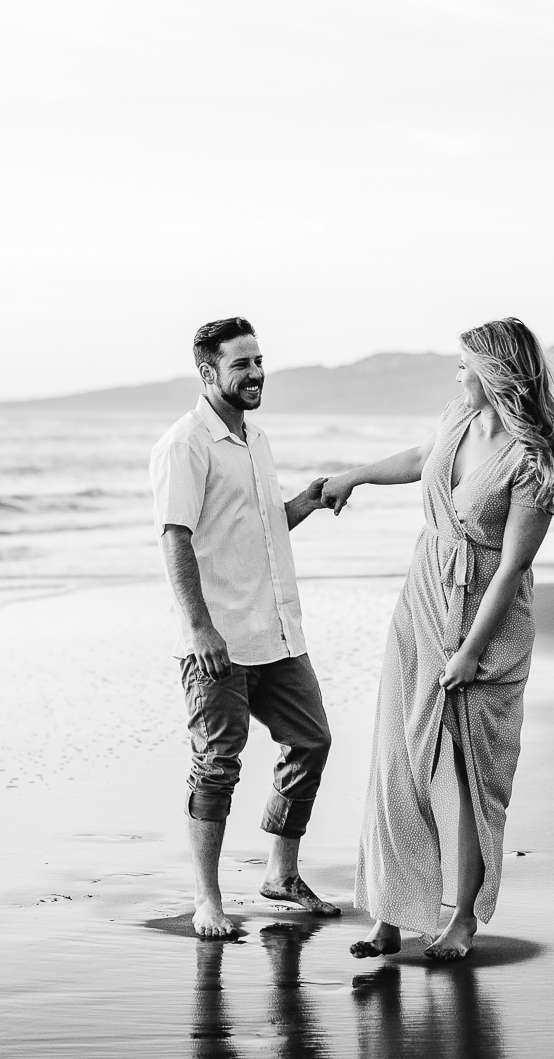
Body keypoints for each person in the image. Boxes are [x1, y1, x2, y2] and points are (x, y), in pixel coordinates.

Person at [321, 317, 554, 961]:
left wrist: (469, 653)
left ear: (495, 373)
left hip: (485, 617)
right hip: (423, 597)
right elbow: (418, 462)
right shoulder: (456, 418)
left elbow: (514, 564)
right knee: (397, 757)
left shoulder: (536, 461)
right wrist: (353, 476)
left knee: (467, 773)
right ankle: (389, 913)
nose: (456, 375)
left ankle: (461, 918)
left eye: (464, 365)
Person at [150, 316, 341, 938]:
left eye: (259, 361)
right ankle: (207, 899)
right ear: (208, 372)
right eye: (242, 365)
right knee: (217, 766)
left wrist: (304, 505)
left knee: (310, 739)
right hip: (219, 639)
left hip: (277, 632)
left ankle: (280, 874)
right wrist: (200, 629)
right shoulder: (186, 445)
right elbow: (175, 537)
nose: (256, 373)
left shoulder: (255, 438)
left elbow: (256, 526)